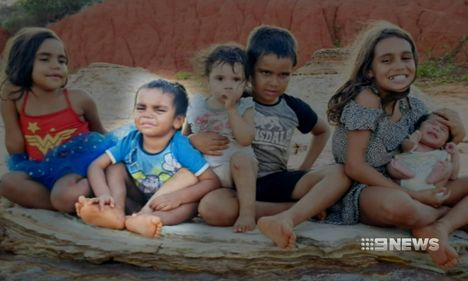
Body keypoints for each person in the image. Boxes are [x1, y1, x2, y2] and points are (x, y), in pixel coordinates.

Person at [192, 25, 351, 248]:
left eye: (283, 75)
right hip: (237, 183)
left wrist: (305, 167)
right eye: (265, 73)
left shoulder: (293, 107)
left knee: (340, 173)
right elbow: (191, 127)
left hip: (276, 179)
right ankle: (301, 209)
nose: (274, 82)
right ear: (249, 70)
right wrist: (193, 140)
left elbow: (322, 131)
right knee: (211, 209)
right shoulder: (235, 100)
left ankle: (287, 217)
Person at [326, 20, 468, 269]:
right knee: (401, 206)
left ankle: (440, 228)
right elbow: (354, 167)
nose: (400, 66)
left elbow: (435, 140)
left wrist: (458, 133)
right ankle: (439, 216)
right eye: (387, 60)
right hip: (365, 188)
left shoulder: (414, 106)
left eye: (406, 57)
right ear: (369, 70)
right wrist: (417, 196)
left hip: (411, 183)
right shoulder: (366, 99)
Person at [75, 79, 220, 238]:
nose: (147, 115)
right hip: (136, 198)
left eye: (159, 110)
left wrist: (177, 197)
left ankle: (147, 219)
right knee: (115, 167)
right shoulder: (130, 140)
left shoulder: (180, 146)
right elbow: (95, 166)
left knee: (189, 183)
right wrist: (103, 194)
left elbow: (211, 181)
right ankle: (115, 210)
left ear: (177, 121)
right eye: (141, 108)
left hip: (169, 205)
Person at [0, 27, 114, 212]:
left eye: (62, 60)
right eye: (44, 59)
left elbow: (102, 137)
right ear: (24, 62)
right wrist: (7, 102)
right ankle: (67, 207)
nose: (56, 65)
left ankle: (73, 201)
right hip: (39, 169)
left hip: (77, 171)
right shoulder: (18, 99)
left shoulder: (79, 99)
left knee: (63, 195)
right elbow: (15, 148)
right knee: (7, 183)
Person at [184, 44, 258, 232]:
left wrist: (231, 110)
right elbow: (181, 139)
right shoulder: (197, 104)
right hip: (207, 173)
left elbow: (245, 139)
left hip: (236, 172)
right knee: (183, 173)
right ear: (207, 80)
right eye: (219, 78)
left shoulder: (244, 106)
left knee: (242, 160)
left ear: (246, 82)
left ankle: (247, 213)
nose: (228, 84)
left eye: (236, 79)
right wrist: (193, 138)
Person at [387, 113, 460, 192]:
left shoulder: (441, 155)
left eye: (443, 130)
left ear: (445, 143)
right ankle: (405, 172)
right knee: (391, 164)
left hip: (429, 186)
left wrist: (454, 154)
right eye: (432, 123)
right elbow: (405, 147)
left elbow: (453, 176)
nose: (436, 128)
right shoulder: (414, 142)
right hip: (403, 180)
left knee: (448, 166)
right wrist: (412, 141)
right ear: (418, 127)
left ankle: (433, 177)